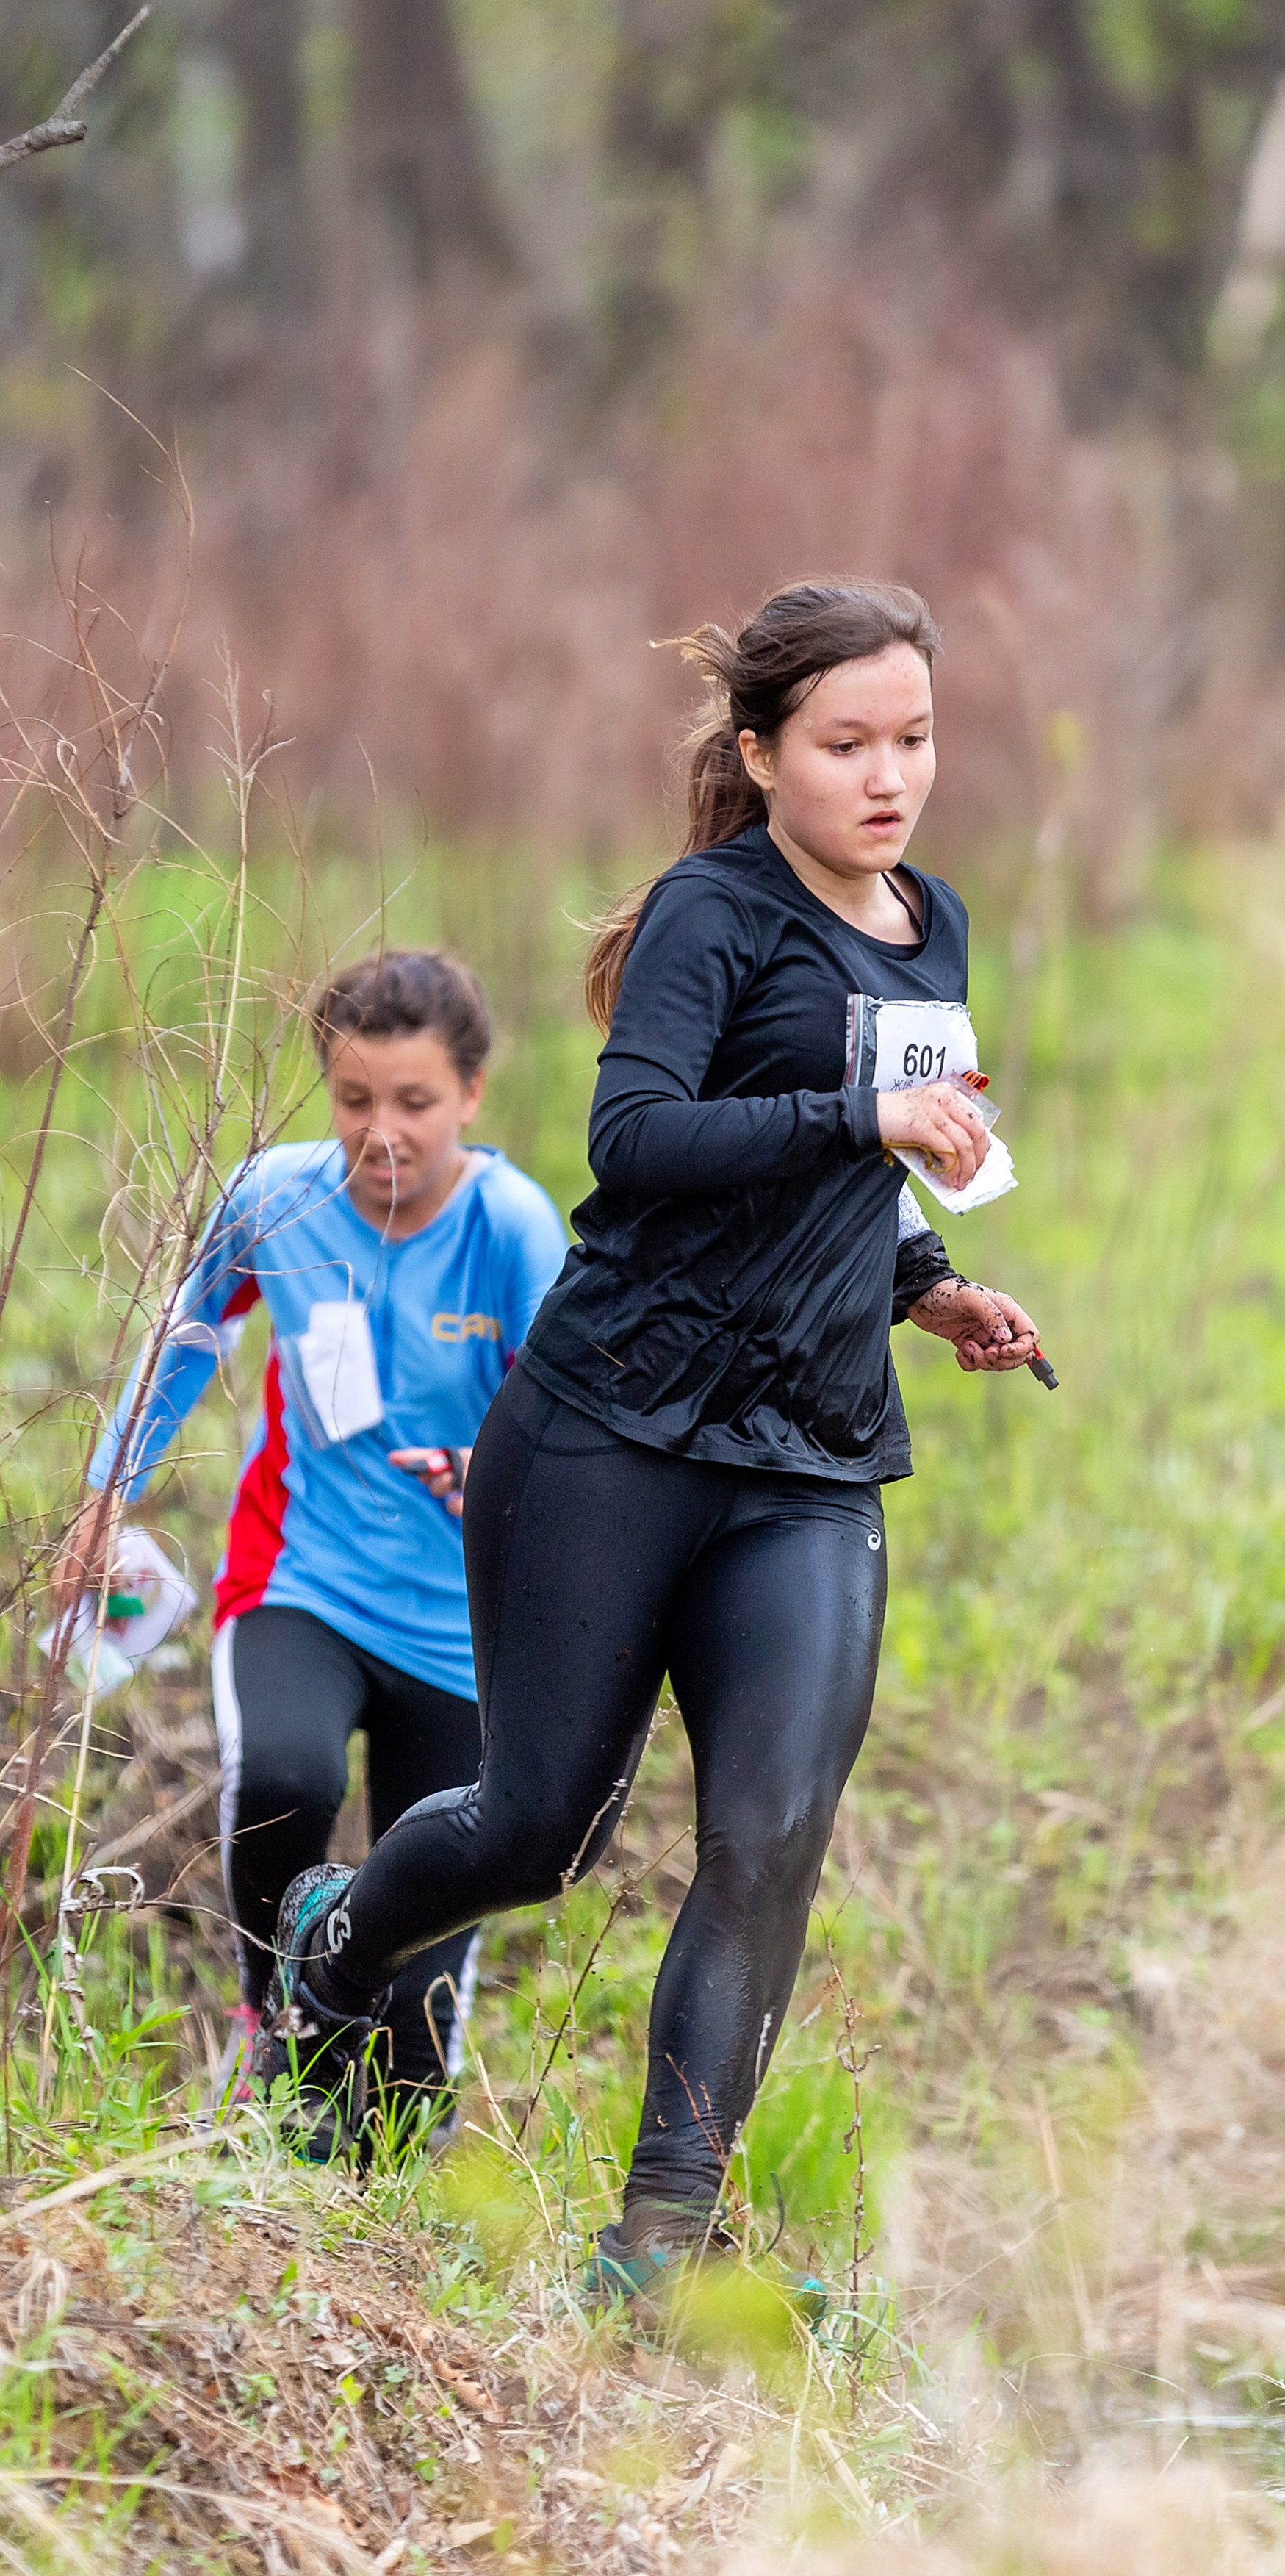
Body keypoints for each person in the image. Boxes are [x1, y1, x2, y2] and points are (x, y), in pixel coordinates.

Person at [251, 578, 1043, 2281]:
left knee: (766, 1843)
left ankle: (658, 2252)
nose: (887, 774)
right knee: (536, 1830)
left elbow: (864, 1175)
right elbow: (640, 1138)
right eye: (846, 743)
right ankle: (332, 1946)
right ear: (762, 755)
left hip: (812, 1457)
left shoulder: (937, 921)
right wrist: (858, 1107)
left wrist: (928, 1282)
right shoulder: (714, 912)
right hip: (615, 1426)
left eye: (912, 736)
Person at [57, 950, 568, 2131]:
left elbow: (573, 1426)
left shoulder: (511, 1228)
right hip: (303, 1577)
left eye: (415, 1103)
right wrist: (106, 1492)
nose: (381, 1133)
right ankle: (266, 2024)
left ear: (471, 1097)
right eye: (354, 1100)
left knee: (406, 2041)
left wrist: (497, 1474)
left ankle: (375, 2111)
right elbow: (186, 1339)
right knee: (286, 1774)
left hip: (466, 1627)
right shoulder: (276, 1197)